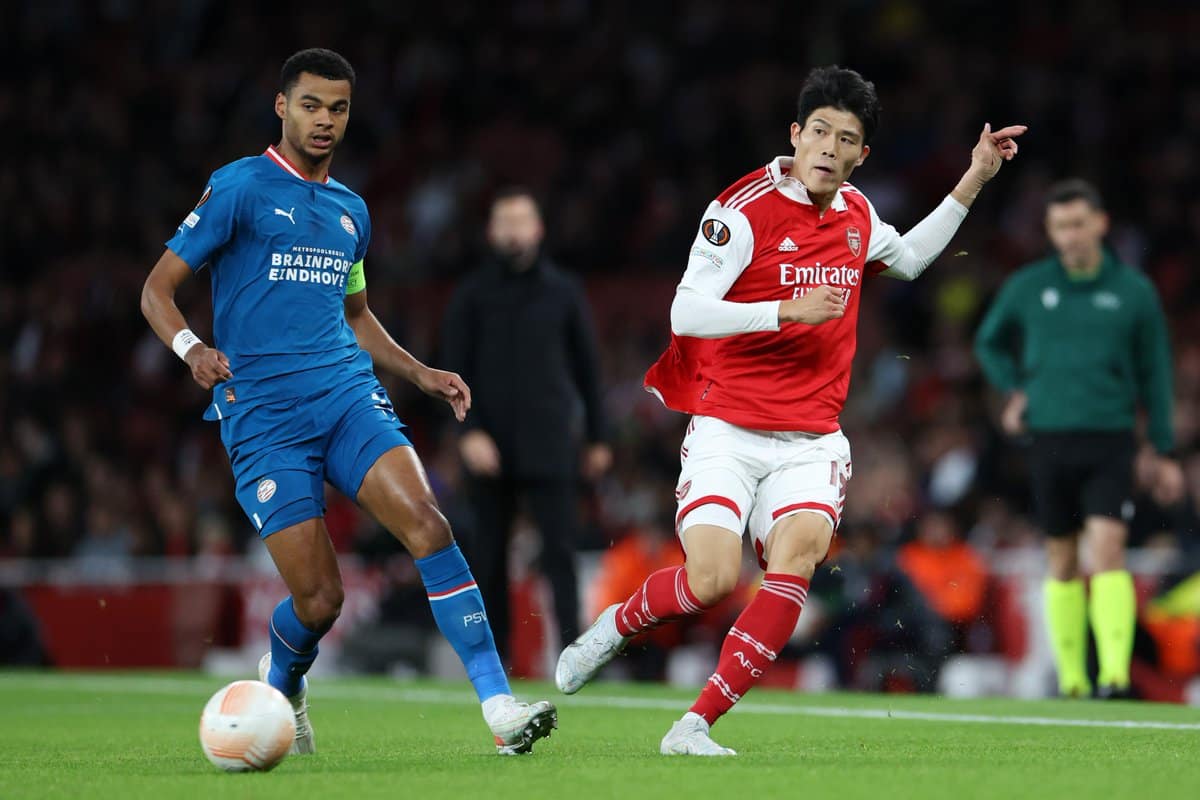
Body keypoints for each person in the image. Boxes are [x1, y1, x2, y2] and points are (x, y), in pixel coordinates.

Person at [554, 65, 1025, 755]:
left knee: (796, 560)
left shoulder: (857, 213)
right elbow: (686, 311)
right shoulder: (739, 210)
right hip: (728, 429)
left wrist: (976, 176)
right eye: (821, 132)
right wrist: (784, 310)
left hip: (811, 440)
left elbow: (910, 259)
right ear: (797, 134)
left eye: (847, 139)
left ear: (862, 154)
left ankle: (694, 724)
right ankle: (616, 627)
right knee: (712, 579)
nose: (831, 148)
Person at [140, 48, 556, 756]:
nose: (324, 120)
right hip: (264, 418)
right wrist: (192, 349)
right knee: (320, 601)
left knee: (429, 524)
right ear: (282, 107)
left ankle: (498, 707)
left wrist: (419, 372)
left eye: (337, 108)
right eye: (311, 105)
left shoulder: (351, 213)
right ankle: (284, 680)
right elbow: (156, 289)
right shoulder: (238, 188)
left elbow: (356, 316)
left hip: (345, 396)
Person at [974, 179, 1184, 699]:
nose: (1069, 235)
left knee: (1107, 549)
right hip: (1049, 439)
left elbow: (1156, 372)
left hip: (1110, 438)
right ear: (1050, 231)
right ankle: (1071, 678)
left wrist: (1162, 448)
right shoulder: (1029, 286)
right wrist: (1014, 390)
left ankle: (1113, 675)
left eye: (1078, 224)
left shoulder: (1133, 292)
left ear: (1101, 224)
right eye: (1060, 226)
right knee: (1062, 559)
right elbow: (988, 342)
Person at [440, 188, 611, 663]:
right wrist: (468, 432)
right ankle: (494, 666)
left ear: (538, 229)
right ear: (491, 231)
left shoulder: (564, 291)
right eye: (505, 222)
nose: (513, 232)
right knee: (489, 558)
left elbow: (588, 370)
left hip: (550, 442)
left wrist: (599, 438)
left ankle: (575, 658)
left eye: (521, 222)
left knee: (561, 554)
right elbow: (450, 370)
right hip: (488, 444)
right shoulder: (471, 295)